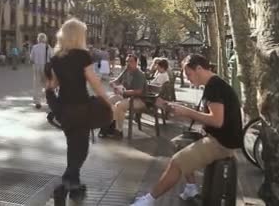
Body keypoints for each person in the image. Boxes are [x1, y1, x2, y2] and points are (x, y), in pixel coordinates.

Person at [131, 54, 243, 206]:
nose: (189, 79)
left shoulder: (214, 87)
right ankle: (191, 187)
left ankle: (148, 200)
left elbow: (217, 121)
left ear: (199, 68)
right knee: (177, 143)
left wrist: (186, 112)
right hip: (216, 137)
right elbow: (210, 117)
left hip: (221, 143)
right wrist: (169, 106)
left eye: (189, 74)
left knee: (176, 162)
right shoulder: (214, 84)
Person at [44, 18, 112, 194]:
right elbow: (94, 82)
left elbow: (54, 85)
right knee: (81, 149)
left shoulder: (56, 58)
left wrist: (49, 92)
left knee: (73, 145)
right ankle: (67, 180)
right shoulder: (83, 56)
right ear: (77, 36)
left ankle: (74, 183)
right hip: (81, 107)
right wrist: (106, 99)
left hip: (64, 109)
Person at [100, 54, 146, 139]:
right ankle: (109, 125)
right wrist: (113, 84)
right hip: (126, 96)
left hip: (139, 100)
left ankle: (118, 131)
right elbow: (117, 80)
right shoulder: (126, 71)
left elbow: (139, 91)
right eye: (127, 61)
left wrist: (123, 92)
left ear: (136, 63)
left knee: (120, 105)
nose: (128, 63)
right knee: (108, 101)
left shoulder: (139, 74)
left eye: (131, 61)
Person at [29, 33, 52, 109]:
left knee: (37, 84)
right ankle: (48, 100)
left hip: (36, 67)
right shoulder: (48, 47)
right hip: (46, 67)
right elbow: (52, 57)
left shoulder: (34, 47)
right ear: (45, 39)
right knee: (46, 84)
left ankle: (37, 102)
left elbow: (31, 59)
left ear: (38, 39)